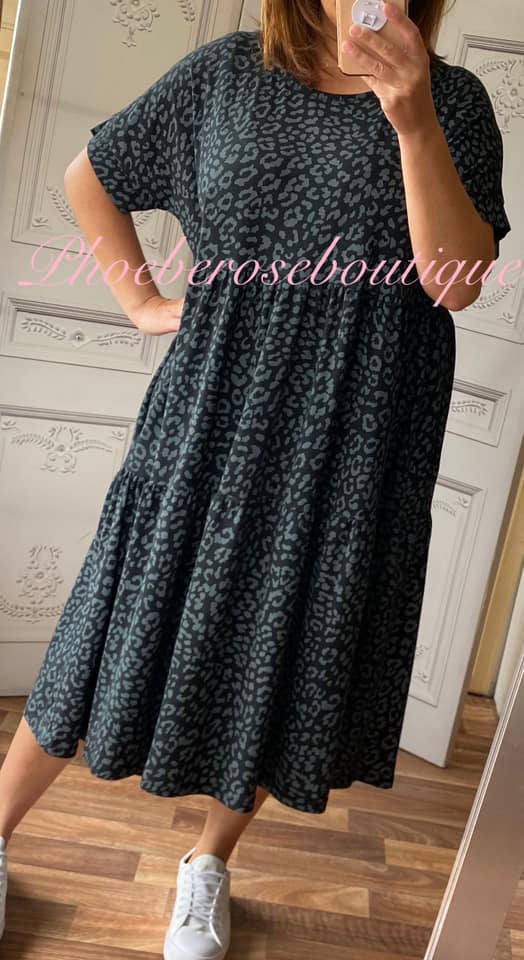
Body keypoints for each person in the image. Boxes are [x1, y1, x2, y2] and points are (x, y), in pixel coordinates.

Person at [0, 0, 511, 957]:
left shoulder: (453, 103)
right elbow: (90, 176)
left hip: (358, 438)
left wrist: (410, 116)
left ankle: (208, 863)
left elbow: (454, 281)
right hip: (210, 412)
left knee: (291, 644)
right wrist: (141, 302)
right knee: (114, 617)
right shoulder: (228, 75)